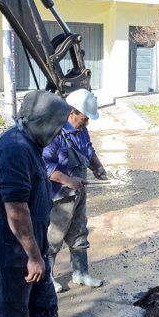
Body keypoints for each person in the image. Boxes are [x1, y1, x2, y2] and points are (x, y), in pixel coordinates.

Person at [0, 91, 92, 317]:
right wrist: (32, 255)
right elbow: (15, 210)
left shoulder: (29, 143)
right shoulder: (14, 149)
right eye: (57, 125)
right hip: (12, 244)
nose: (59, 131)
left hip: (31, 241)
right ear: (42, 121)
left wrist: (38, 251)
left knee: (45, 301)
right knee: (10, 309)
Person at [43, 89, 106, 292]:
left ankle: (81, 273)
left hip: (78, 194)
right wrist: (68, 180)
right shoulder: (55, 133)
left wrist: (97, 167)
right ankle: (47, 278)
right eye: (84, 119)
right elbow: (45, 166)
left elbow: (88, 150)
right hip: (59, 196)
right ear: (72, 112)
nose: (86, 123)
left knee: (80, 232)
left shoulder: (81, 130)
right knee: (54, 236)